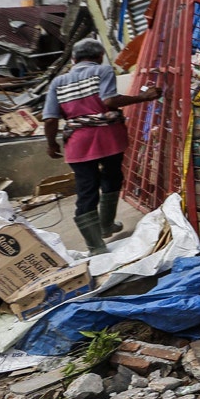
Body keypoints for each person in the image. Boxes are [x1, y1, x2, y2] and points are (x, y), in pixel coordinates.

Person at [42, 38, 163, 255]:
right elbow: (109, 101)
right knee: (112, 177)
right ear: (99, 57)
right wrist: (142, 97)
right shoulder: (102, 70)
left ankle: (95, 246)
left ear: (73, 59)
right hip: (108, 138)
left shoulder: (57, 82)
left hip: (77, 143)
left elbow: (50, 119)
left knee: (86, 190)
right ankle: (106, 224)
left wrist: (51, 145)